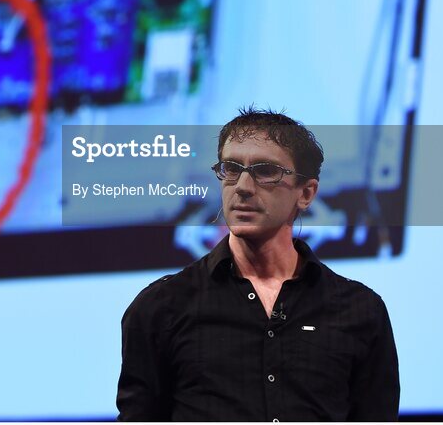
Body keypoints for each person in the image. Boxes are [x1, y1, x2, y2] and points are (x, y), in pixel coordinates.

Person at [116, 106, 399, 421]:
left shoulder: (360, 311)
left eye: (265, 171)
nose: (243, 187)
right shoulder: (161, 307)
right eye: (231, 169)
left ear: (306, 193)